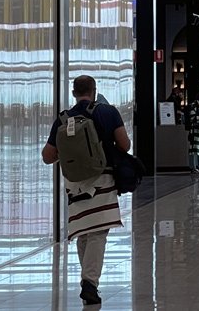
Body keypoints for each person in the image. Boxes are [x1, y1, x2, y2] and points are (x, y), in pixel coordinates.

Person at [42, 75, 130, 306]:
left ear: (73, 93)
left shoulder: (63, 118)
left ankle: (88, 280)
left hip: (74, 183)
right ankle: (89, 283)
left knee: (83, 230)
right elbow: (125, 144)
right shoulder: (108, 112)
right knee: (99, 232)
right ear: (94, 90)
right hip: (102, 179)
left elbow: (47, 156)